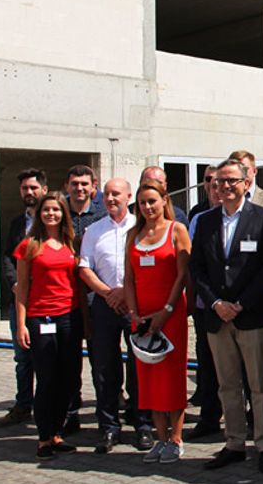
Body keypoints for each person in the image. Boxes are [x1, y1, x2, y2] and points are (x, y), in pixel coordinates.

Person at [193, 159, 263, 474]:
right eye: (220, 181)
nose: (226, 186)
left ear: (246, 182)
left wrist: (240, 303)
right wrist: (216, 303)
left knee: (259, 385)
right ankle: (234, 443)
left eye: (232, 180)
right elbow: (197, 269)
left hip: (251, 315)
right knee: (227, 385)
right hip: (217, 318)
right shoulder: (204, 222)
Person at [79, 177, 156, 453]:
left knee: (140, 368)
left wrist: (126, 293)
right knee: (104, 368)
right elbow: (84, 267)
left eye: (116, 194)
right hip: (104, 305)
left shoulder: (142, 227)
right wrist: (107, 293)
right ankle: (109, 427)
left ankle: (143, 424)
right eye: (107, 194)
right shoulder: (93, 230)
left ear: (127, 197)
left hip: (137, 305)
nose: (111, 199)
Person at [124, 179, 192, 464]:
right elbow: (128, 278)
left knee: (171, 377)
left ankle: (176, 439)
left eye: (152, 201)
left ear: (165, 200)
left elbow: (182, 275)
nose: (148, 207)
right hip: (141, 317)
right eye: (142, 203)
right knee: (148, 378)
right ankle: (160, 437)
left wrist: (166, 310)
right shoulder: (133, 234)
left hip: (170, 315)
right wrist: (133, 313)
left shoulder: (177, 231)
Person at [13, 192, 82, 460]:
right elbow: (22, 288)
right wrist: (21, 324)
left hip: (69, 318)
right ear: (39, 213)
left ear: (63, 213)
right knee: (46, 380)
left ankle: (57, 433)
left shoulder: (71, 243)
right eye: (46, 210)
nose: (51, 214)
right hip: (41, 319)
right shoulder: (29, 246)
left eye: (56, 209)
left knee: (68, 379)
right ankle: (43, 438)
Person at [0, 167, 46, 427]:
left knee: (47, 357)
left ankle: (48, 408)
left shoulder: (54, 220)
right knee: (22, 357)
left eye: (33, 188)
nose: (29, 192)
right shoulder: (18, 223)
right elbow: (8, 255)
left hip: (47, 300)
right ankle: (23, 405)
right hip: (21, 301)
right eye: (25, 188)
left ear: (44, 190)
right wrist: (14, 282)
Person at [62, 163, 106, 435]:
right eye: (74, 184)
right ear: (67, 186)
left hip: (95, 300)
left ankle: (105, 413)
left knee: (100, 361)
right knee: (68, 362)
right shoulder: (58, 213)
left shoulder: (102, 216)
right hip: (66, 299)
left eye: (84, 184)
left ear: (94, 187)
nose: (79, 188)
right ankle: (70, 413)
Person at [186, 170, 225, 439]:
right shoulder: (198, 219)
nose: (216, 188)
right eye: (211, 183)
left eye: (221, 183)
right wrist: (210, 300)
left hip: (240, 307)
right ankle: (209, 417)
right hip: (207, 305)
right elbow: (194, 264)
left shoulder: (254, 216)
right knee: (208, 363)